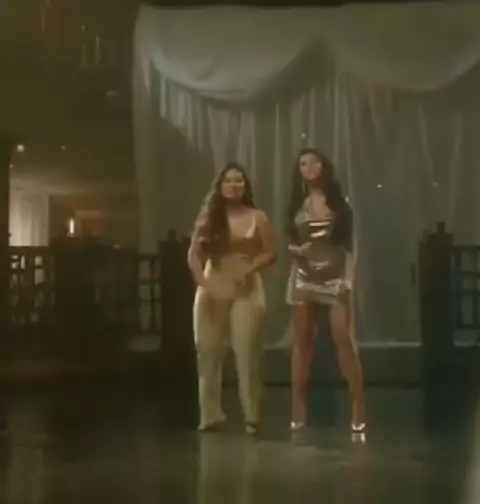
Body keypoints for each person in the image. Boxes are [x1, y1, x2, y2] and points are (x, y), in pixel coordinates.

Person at [187, 161, 276, 434]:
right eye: (228, 180)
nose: (234, 185)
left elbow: (270, 252)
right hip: (213, 284)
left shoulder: (257, 216)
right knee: (208, 351)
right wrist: (204, 284)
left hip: (245, 286)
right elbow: (194, 255)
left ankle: (252, 415)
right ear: (220, 186)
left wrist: (250, 269)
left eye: (239, 180)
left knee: (247, 352)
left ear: (245, 186)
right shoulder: (209, 218)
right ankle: (210, 414)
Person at [286, 148, 366, 433]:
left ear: (324, 167)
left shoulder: (340, 204)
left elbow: (350, 246)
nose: (309, 167)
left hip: (334, 275)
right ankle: (298, 406)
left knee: (343, 337)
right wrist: (297, 251)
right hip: (305, 275)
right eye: (303, 163)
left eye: (314, 162)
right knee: (302, 341)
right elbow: (290, 241)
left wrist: (348, 279)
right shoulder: (296, 204)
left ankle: (358, 403)